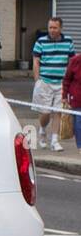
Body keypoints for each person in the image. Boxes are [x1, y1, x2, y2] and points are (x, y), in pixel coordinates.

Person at [32, 16, 74, 152]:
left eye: (55, 27)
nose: (52, 30)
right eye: (50, 27)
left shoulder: (68, 41)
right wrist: (37, 79)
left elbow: (72, 62)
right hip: (44, 81)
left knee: (57, 112)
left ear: (60, 28)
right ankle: (43, 130)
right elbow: (36, 61)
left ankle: (54, 140)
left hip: (61, 83)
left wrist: (71, 81)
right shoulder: (40, 41)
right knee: (45, 113)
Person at [63, 49, 81, 151]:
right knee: (78, 123)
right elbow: (67, 79)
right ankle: (80, 146)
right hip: (77, 98)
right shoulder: (75, 61)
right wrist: (64, 96)